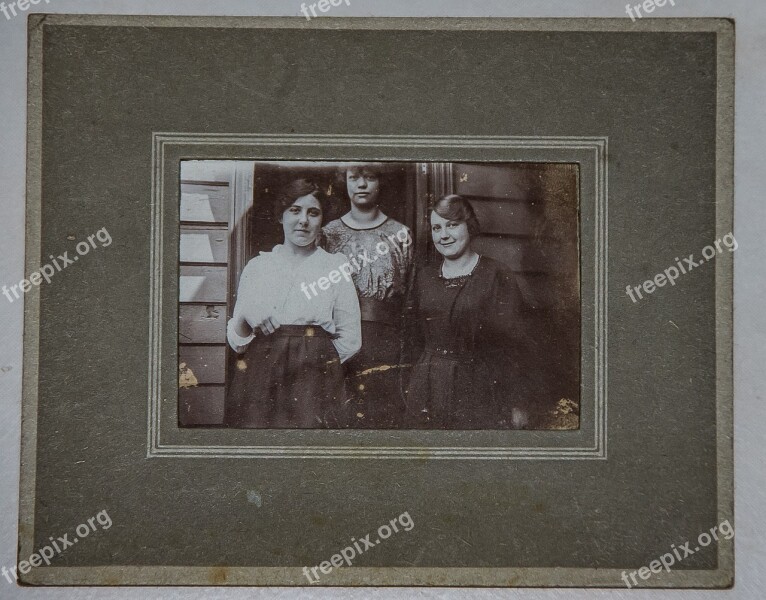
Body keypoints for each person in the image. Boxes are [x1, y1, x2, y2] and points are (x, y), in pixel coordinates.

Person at [225, 179, 361, 429]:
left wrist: (317, 361)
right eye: (295, 210)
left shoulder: (334, 267)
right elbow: (237, 341)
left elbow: (351, 338)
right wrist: (247, 316)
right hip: (261, 374)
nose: (303, 221)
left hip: (315, 380)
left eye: (313, 213)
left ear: (321, 220)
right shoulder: (259, 266)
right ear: (280, 216)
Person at [404, 194, 527, 429]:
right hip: (428, 385)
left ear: (469, 226)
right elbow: (411, 338)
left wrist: (517, 402)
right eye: (436, 227)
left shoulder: (496, 274)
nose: (444, 235)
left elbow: (514, 344)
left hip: (479, 386)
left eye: (452, 225)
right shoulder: (423, 277)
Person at [321, 163, 414, 428]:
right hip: (339, 335)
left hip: (386, 338)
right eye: (354, 178)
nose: (361, 185)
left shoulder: (401, 233)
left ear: (380, 182)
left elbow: (408, 292)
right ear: (345, 182)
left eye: (369, 177)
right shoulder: (328, 234)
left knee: (382, 413)